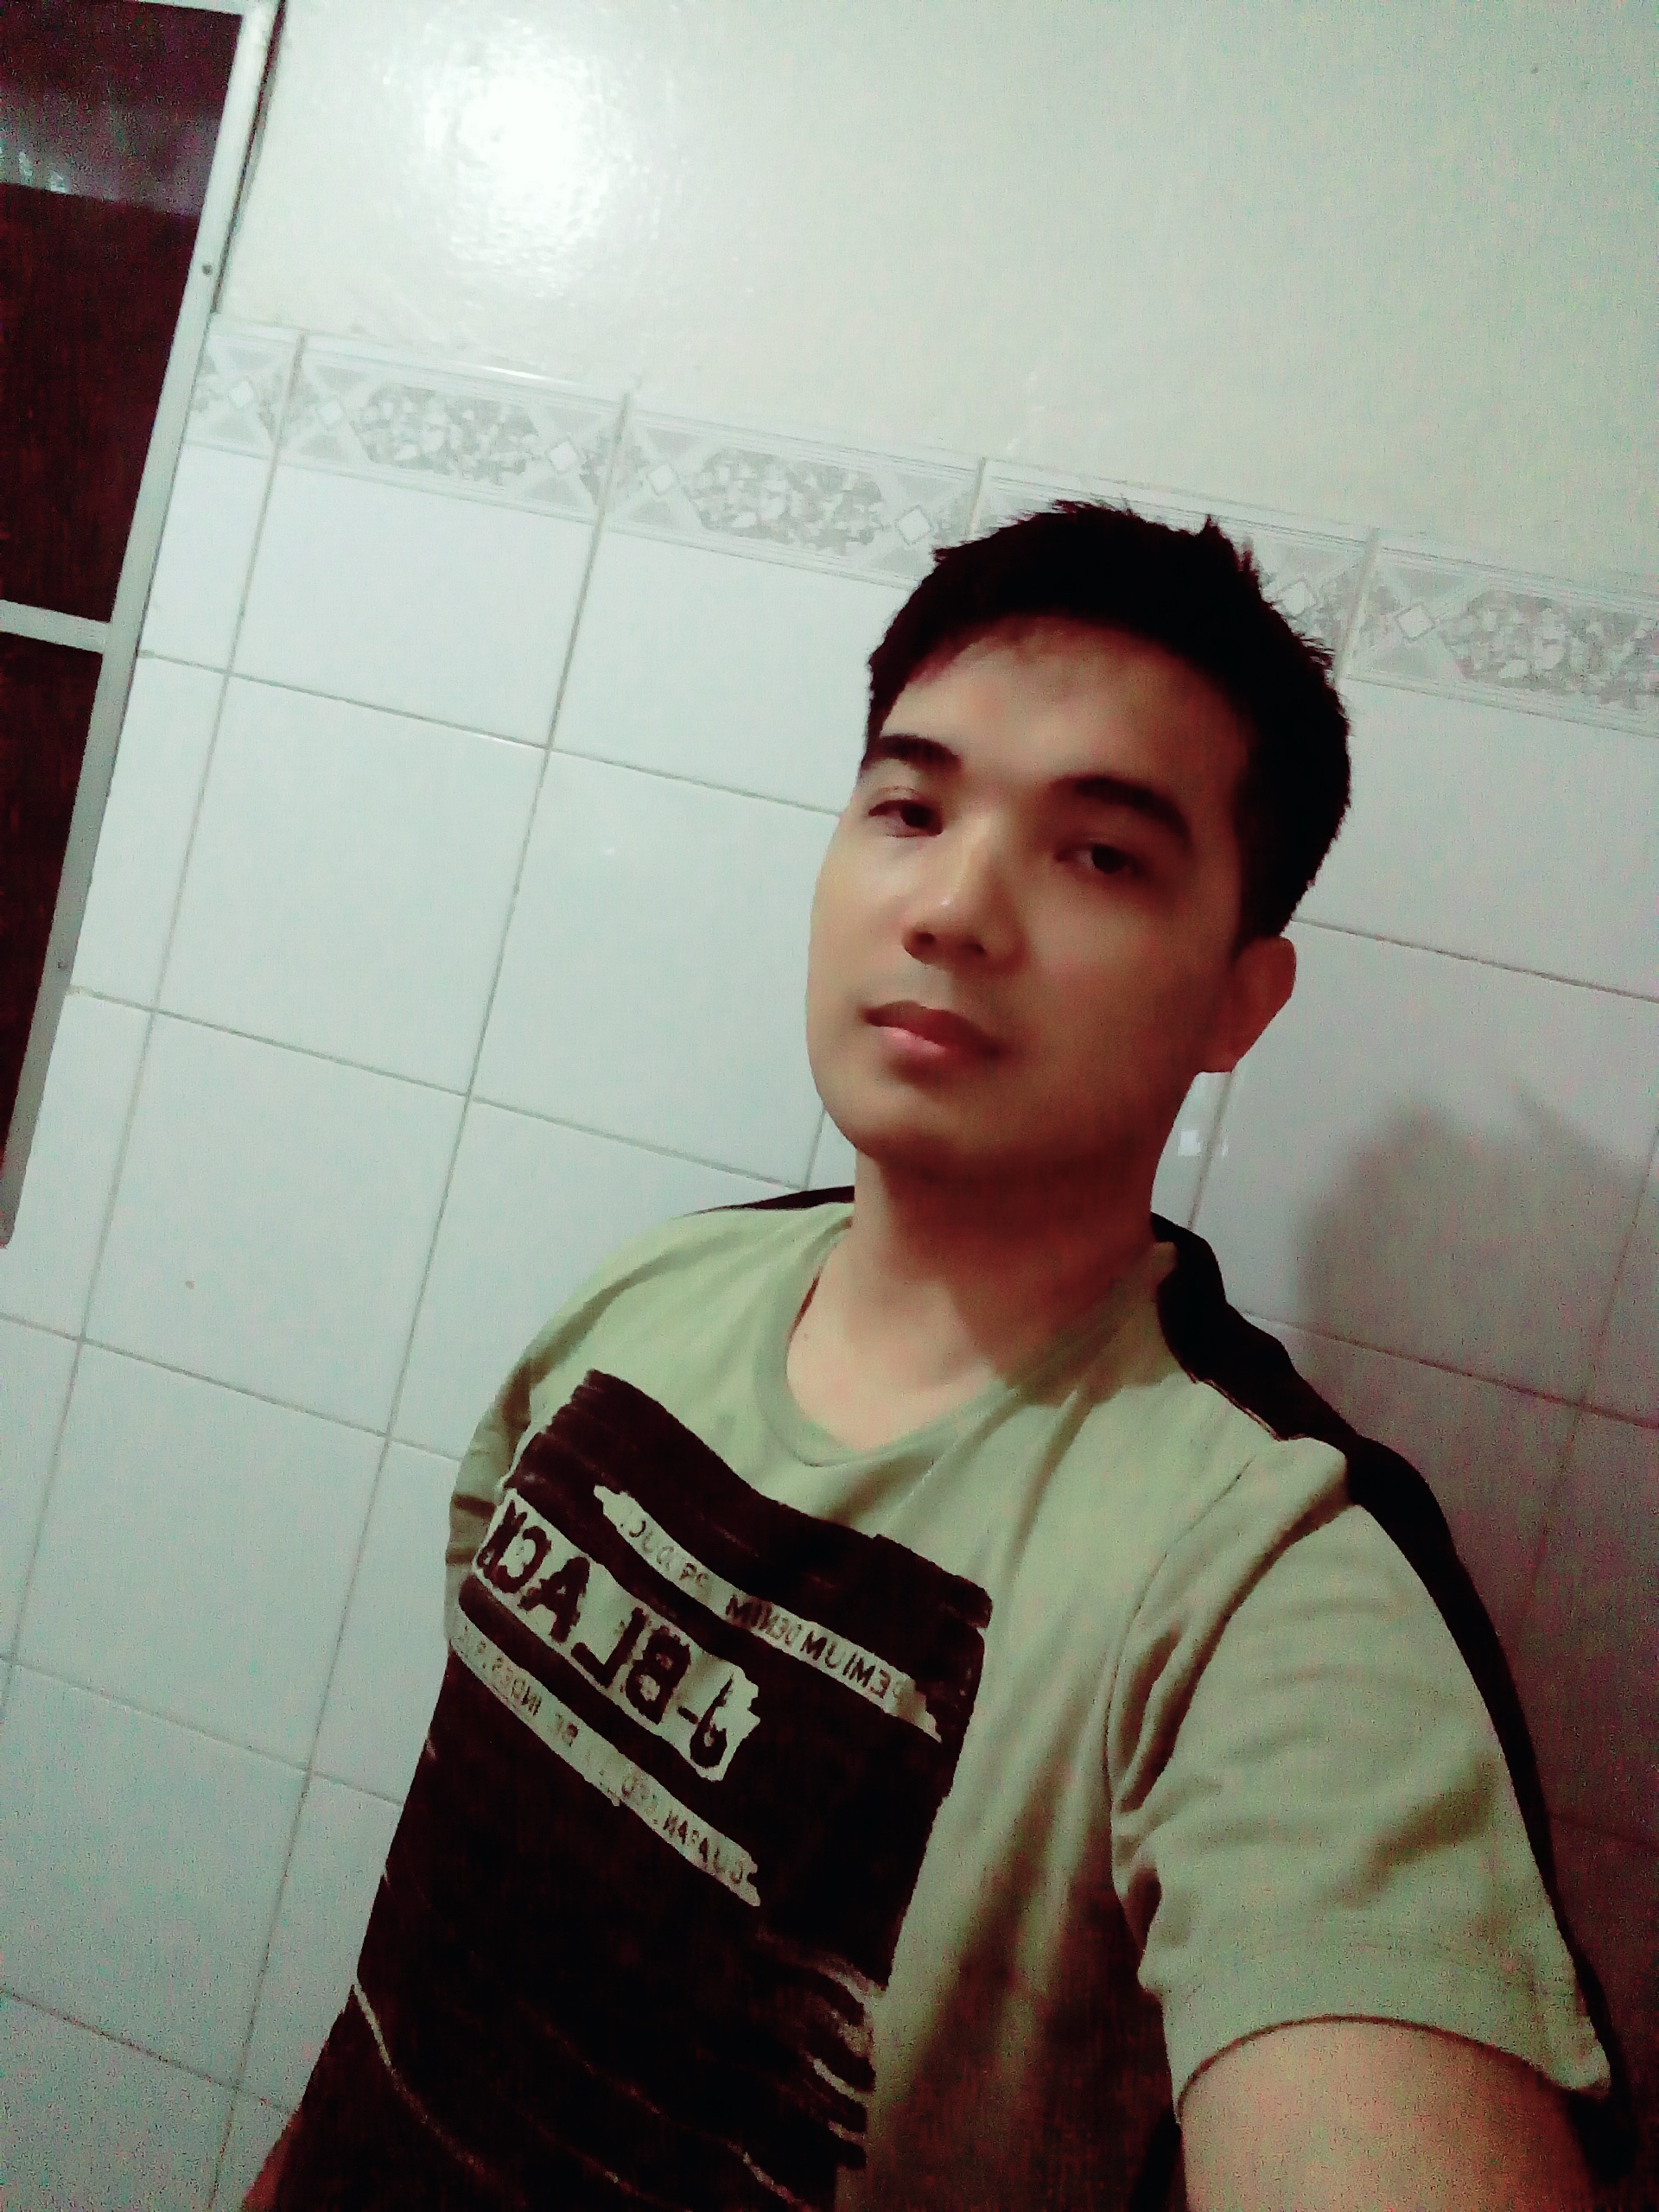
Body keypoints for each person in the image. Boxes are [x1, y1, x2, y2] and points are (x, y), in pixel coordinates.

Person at [249, 501, 1634, 2210]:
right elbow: (445, 1934)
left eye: (1101, 854)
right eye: (909, 808)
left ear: (1238, 1001)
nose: (954, 907)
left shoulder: (1264, 1589)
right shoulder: (642, 1308)